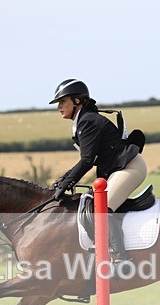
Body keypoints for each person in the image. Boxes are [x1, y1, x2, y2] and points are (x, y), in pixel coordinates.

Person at [48, 79, 147, 266]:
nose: (59, 107)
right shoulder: (84, 121)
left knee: (101, 210)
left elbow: (86, 161)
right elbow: (89, 159)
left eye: (63, 102)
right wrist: (63, 180)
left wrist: (66, 183)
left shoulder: (87, 122)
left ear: (77, 101)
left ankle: (121, 260)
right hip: (118, 169)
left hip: (130, 168)